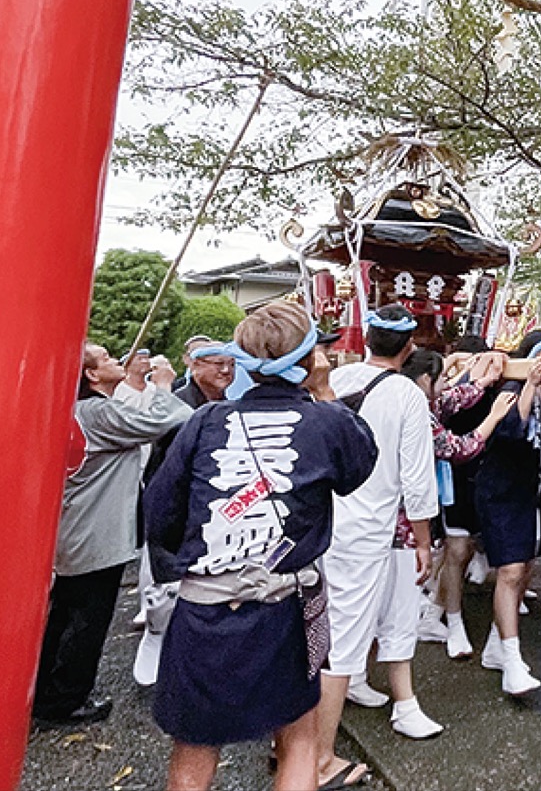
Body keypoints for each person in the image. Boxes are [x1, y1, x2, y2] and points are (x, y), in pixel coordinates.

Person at [143, 299, 378, 791]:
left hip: (205, 605)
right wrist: (324, 390)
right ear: (310, 358)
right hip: (286, 606)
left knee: (194, 746)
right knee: (298, 738)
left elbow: (159, 508)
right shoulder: (328, 423)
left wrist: (181, 567)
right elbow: (357, 468)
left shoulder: (205, 422)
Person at [353, 347, 518, 736]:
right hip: (395, 532)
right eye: (442, 378)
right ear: (425, 379)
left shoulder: (376, 391)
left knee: (364, 615)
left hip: (364, 525)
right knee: (396, 615)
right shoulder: (415, 411)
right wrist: (493, 417)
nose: (446, 387)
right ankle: (402, 704)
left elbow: (446, 402)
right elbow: (457, 449)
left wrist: (479, 382)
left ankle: (359, 678)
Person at [32, 343, 190, 726]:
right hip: (96, 528)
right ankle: (66, 700)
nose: (115, 361)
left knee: (66, 612)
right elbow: (169, 419)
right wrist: (165, 386)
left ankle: (46, 690)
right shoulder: (98, 412)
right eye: (104, 359)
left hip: (77, 523)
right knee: (87, 618)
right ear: (90, 375)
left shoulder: (78, 410)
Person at [318, 305, 438, 788]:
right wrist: (424, 543)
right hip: (365, 533)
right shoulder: (408, 394)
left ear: (366, 339)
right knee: (342, 645)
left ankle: (290, 739)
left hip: (318, 524)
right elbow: (417, 479)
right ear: (408, 347)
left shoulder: (337, 379)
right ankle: (320, 759)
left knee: (311, 629)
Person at [135, 343, 240, 687]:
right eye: (216, 365)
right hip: (174, 500)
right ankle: (156, 634)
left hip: (215, 506)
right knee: (165, 582)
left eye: (230, 365)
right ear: (194, 366)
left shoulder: (230, 406)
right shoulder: (178, 402)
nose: (225, 372)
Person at [474, 327, 541, 695]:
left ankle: (498, 643)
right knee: (510, 570)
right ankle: (512, 661)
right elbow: (510, 433)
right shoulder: (509, 391)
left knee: (525, 567)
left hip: (534, 494)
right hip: (502, 492)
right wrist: (528, 386)